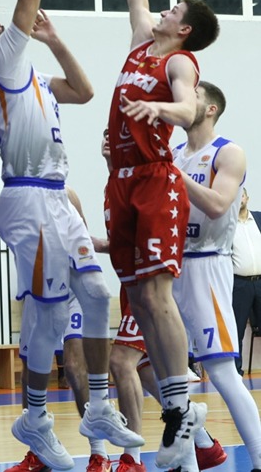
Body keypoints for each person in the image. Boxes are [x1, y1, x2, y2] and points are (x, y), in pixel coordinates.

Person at [0, 0, 143, 470]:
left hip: (56, 196)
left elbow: (84, 91)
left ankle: (98, 407)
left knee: (98, 294)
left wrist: (56, 40)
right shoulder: (4, 65)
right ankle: (35, 417)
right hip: (29, 199)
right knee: (50, 320)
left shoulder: (31, 73)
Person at [107, 0, 220, 470]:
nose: (163, 9)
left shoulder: (179, 61)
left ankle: (178, 410)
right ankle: (182, 411)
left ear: (185, 29)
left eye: (173, 9)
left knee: (156, 293)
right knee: (138, 298)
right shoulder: (138, 42)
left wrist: (160, 112)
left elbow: (188, 108)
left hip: (155, 179)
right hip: (121, 180)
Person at [94, 127, 226, 472]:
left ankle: (132, 458)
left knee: (121, 362)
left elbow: (160, 237)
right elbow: (127, 239)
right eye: (106, 135)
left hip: (153, 287)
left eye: (116, 135)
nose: (110, 140)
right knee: (145, 369)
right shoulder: (115, 186)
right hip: (131, 288)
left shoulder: (153, 180)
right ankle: (202, 443)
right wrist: (96, 244)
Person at [0, 190, 112, 472]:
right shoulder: (3, 205)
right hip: (37, 294)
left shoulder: (66, 194)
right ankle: (38, 452)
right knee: (30, 374)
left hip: (72, 290)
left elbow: (83, 241)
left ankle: (99, 453)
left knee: (74, 368)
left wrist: (107, 247)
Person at [172, 80, 261, 472]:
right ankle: (192, 457)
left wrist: (172, 175)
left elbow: (217, 204)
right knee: (160, 371)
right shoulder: (173, 154)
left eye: (192, 96)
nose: (181, 100)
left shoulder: (228, 152)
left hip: (208, 265)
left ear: (210, 109)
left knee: (223, 372)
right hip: (171, 267)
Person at [231, 187, 261, 375]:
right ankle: (236, 372)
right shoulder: (227, 225)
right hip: (239, 284)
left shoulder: (258, 219)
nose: (239, 199)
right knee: (237, 329)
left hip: (260, 282)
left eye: (241, 195)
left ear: (247, 198)